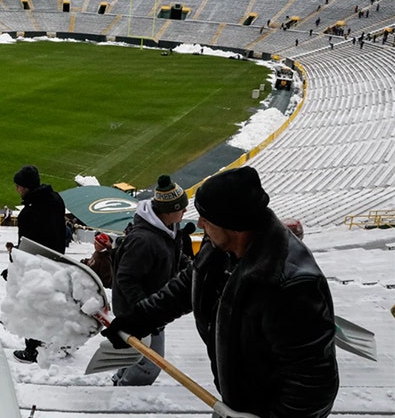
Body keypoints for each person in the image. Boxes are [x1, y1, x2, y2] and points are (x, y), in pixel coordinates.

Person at [103, 167, 338, 416]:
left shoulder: (291, 285)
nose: (200, 224)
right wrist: (139, 320)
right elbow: (186, 286)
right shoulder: (218, 248)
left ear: (234, 226)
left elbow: (313, 385)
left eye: (207, 219)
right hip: (236, 402)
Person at [109, 174, 190, 386]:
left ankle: (119, 383)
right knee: (150, 364)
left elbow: (171, 257)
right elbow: (126, 277)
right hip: (140, 311)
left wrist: (187, 266)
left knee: (132, 355)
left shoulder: (168, 230)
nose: (185, 212)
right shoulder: (144, 240)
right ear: (169, 211)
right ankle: (128, 394)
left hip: (151, 307)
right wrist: (144, 310)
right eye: (182, 208)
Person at [12, 164, 68, 363]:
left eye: (18, 186)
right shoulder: (56, 199)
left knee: (34, 306)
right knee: (53, 304)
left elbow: (26, 248)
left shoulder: (28, 213)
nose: (17, 190)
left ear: (26, 187)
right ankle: (62, 341)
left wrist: (13, 266)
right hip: (58, 261)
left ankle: (32, 350)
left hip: (38, 266)